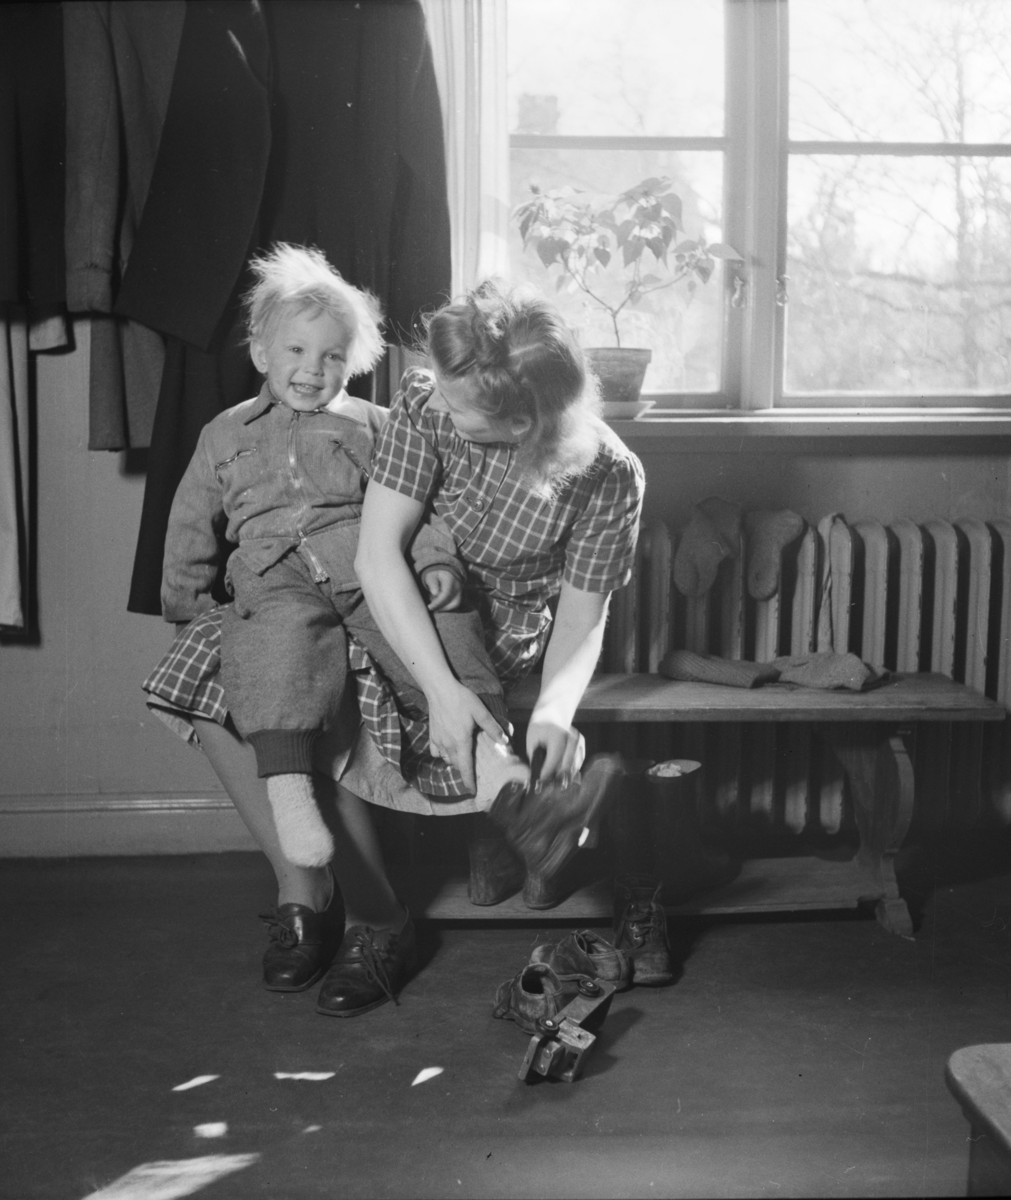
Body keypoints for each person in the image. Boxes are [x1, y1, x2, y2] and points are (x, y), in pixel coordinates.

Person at [144, 280, 654, 1019]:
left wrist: (552, 711)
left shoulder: (607, 476)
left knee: (334, 679)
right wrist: (439, 692)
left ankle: (377, 918)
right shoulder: (425, 401)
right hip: (386, 586)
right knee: (230, 657)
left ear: (522, 422)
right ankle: (306, 888)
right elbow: (378, 552)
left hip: (482, 629)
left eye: (459, 407)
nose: (434, 404)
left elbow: (581, 616)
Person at [159, 244, 520, 871]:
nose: (312, 369)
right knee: (276, 645)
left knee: (446, 626)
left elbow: (415, 507)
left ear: (353, 361)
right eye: (296, 350)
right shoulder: (223, 433)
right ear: (261, 353)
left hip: (363, 562)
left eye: (331, 355)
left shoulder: (377, 425)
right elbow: (190, 522)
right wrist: (185, 603)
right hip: (273, 572)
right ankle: (290, 793)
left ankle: (492, 759)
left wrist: (437, 565)